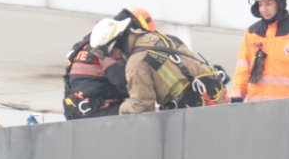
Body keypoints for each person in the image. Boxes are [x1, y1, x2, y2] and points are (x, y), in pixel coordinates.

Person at [88, 15, 228, 115]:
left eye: (108, 52)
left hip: (193, 115)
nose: (111, 57)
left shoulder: (136, 63)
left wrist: (120, 108)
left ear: (116, 43)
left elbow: (141, 106)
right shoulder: (163, 37)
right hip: (219, 102)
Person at [63, 7, 155, 119]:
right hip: (98, 111)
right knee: (141, 111)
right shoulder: (107, 46)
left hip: (77, 109)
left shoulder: (86, 43)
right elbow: (123, 83)